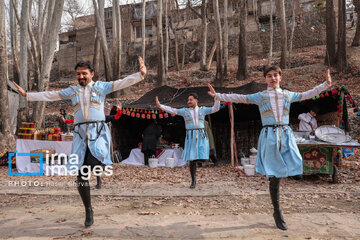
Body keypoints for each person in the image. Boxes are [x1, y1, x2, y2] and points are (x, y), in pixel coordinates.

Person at [13, 57, 147, 227]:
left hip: (97, 134)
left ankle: (97, 177)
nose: (81, 76)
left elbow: (121, 83)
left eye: (84, 73)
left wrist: (140, 75)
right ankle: (88, 209)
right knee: (81, 174)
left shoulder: (101, 87)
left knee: (95, 166)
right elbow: (51, 95)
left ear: (92, 74)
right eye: (78, 74)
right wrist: (27, 95)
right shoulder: (72, 91)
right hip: (80, 136)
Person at [208, 66, 331, 230]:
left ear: (280, 77)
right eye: (269, 76)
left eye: (275, 75)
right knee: (275, 177)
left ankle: (292, 173)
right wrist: (218, 96)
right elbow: (239, 97)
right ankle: (277, 212)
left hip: (286, 134)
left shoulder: (288, 94)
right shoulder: (261, 96)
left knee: (297, 160)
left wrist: (325, 85)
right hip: (270, 135)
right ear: (265, 79)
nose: (272, 78)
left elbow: (308, 93)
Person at [156, 92, 220, 188]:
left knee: (203, 157)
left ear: (196, 100)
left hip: (201, 136)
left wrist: (216, 97)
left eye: (190, 100)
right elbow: (172, 110)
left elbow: (216, 108)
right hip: (191, 137)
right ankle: (193, 181)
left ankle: (203, 161)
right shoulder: (184, 111)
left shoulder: (203, 110)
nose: (188, 101)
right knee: (192, 160)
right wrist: (160, 106)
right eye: (188, 100)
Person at [61, 100, 123, 190]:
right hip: (85, 144)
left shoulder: (101, 118)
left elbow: (116, 117)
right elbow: (75, 120)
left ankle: (98, 182)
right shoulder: (84, 118)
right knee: (83, 163)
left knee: (94, 163)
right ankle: (82, 181)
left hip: (95, 145)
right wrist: (65, 121)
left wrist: (119, 110)